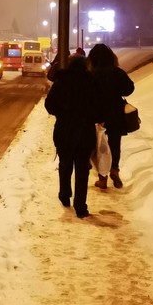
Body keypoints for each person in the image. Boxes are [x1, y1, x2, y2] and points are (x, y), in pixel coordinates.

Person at [44, 54, 103, 218]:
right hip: (85, 131)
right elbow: (99, 109)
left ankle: (64, 193)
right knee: (82, 168)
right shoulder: (91, 82)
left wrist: (63, 112)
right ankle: (80, 206)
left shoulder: (61, 81)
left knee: (65, 163)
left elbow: (50, 105)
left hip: (64, 129)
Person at [87, 42, 135, 190]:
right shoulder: (117, 72)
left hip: (96, 115)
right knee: (115, 144)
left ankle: (102, 178)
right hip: (115, 114)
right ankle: (115, 170)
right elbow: (129, 89)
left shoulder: (90, 74)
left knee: (99, 147)